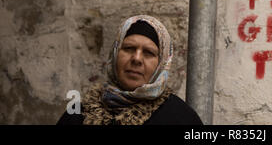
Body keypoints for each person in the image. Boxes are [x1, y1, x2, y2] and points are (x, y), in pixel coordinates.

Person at [57, 15, 203, 125]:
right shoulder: (79, 114)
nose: (137, 59)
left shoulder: (180, 118)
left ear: (162, 64)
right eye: (128, 48)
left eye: (148, 53)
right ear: (114, 55)